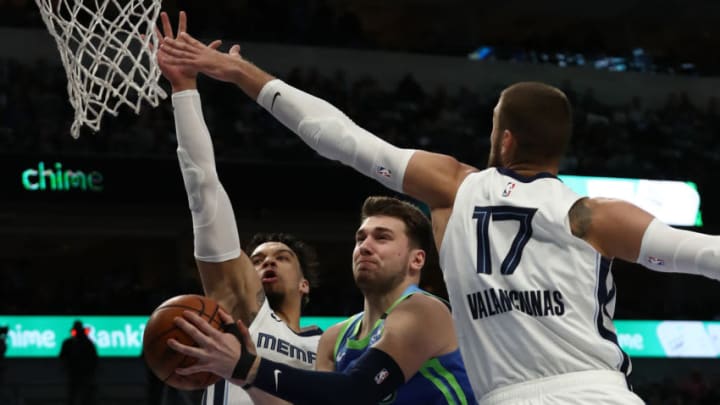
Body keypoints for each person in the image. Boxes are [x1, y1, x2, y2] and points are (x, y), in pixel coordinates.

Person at [158, 26, 720, 404]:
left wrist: (242, 75)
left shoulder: (455, 187)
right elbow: (703, 255)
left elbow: (338, 137)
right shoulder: (596, 216)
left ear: (503, 139)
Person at [156, 12, 322, 405]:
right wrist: (184, 89)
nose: (265, 263)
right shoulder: (240, 315)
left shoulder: (329, 346)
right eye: (257, 258)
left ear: (305, 284)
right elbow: (204, 188)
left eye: (282, 258)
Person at [169, 196, 476, 404]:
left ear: (416, 260)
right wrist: (244, 378)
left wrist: (249, 367)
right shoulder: (334, 337)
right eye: (360, 238)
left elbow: (358, 391)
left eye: (382, 238)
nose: (365, 246)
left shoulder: (425, 311)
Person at [59, 321, 98, 405]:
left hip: (83, 375)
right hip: (75, 374)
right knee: (75, 395)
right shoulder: (69, 343)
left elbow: (94, 359)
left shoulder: (87, 343)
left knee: (83, 396)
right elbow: (62, 357)